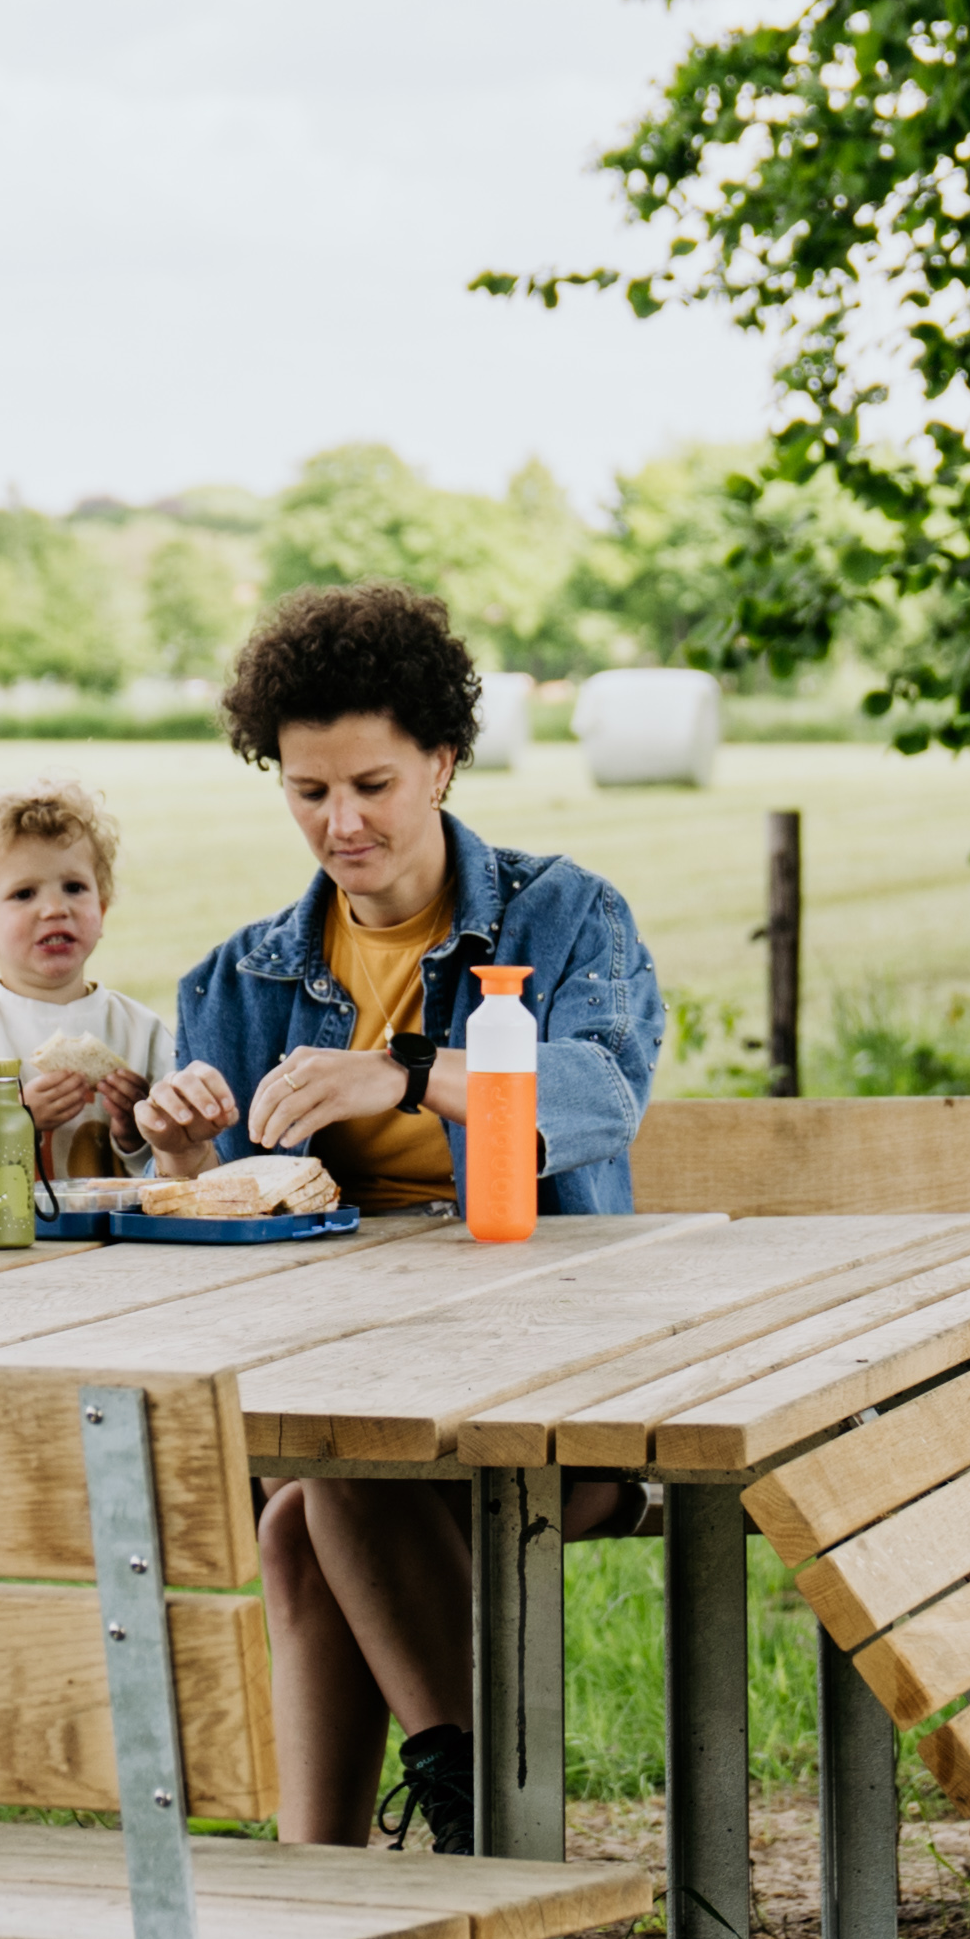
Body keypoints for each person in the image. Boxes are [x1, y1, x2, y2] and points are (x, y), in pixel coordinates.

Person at [136, 581, 665, 1853]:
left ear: (442, 760)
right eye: (309, 790)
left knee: (329, 1485)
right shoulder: (240, 978)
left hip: (553, 1384)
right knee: (310, 1502)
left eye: (372, 784)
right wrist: (188, 1155)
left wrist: (409, 1069)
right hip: (349, 1376)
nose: (342, 822)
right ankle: (388, 1860)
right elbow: (247, 1216)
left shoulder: (563, 916)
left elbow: (601, 1092)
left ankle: (453, 1836)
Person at [0, 780, 188, 1226]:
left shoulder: (141, 1032)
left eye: (74, 887)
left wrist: (136, 1135)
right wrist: (13, 1119)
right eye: (24, 894)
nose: (54, 909)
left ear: (102, 910)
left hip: (106, 1253)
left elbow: (175, 1167)